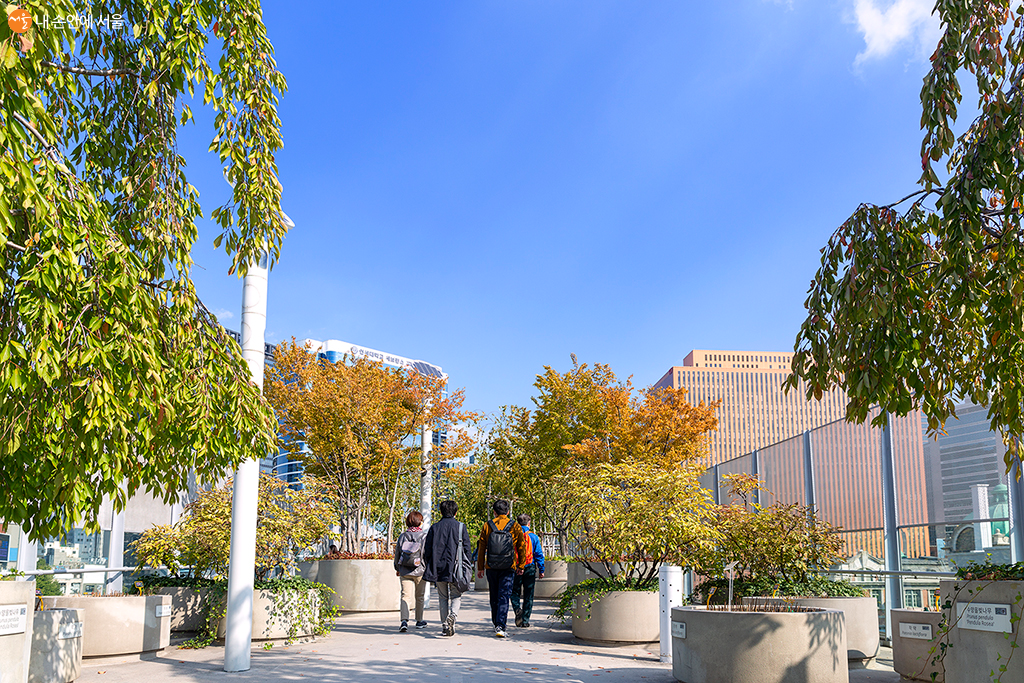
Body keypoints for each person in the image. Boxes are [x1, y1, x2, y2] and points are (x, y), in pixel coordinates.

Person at [477, 499, 530, 637]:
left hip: (491, 566)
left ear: (494, 512)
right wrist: (521, 565)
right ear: (508, 512)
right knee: (504, 595)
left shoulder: (487, 525)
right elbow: (521, 547)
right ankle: (501, 626)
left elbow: (481, 547)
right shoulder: (515, 526)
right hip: (508, 566)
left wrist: (480, 567)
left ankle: (496, 623)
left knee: (494, 595)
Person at [423, 499, 473, 636]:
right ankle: (453, 615)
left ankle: (445, 625)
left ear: (441, 512)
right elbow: (467, 549)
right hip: (456, 568)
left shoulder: (434, 527)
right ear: (456, 512)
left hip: (438, 567)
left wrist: (429, 564)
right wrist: (467, 566)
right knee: (456, 595)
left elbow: (427, 550)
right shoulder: (461, 527)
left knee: (442, 597)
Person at [394, 510, 428, 632]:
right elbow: (426, 554)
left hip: (405, 570)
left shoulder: (403, 536)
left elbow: (397, 553)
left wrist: (397, 568)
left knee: (405, 596)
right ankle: (419, 621)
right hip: (420, 570)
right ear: (419, 522)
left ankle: (404, 621)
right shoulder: (424, 536)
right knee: (420, 596)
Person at [510, 513, 544, 627]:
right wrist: (541, 569)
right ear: (529, 523)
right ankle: (525, 620)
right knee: (528, 594)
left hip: (516, 567)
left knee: (514, 592)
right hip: (529, 567)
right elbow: (538, 554)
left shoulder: (513, 535)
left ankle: (517, 609)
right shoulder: (533, 537)